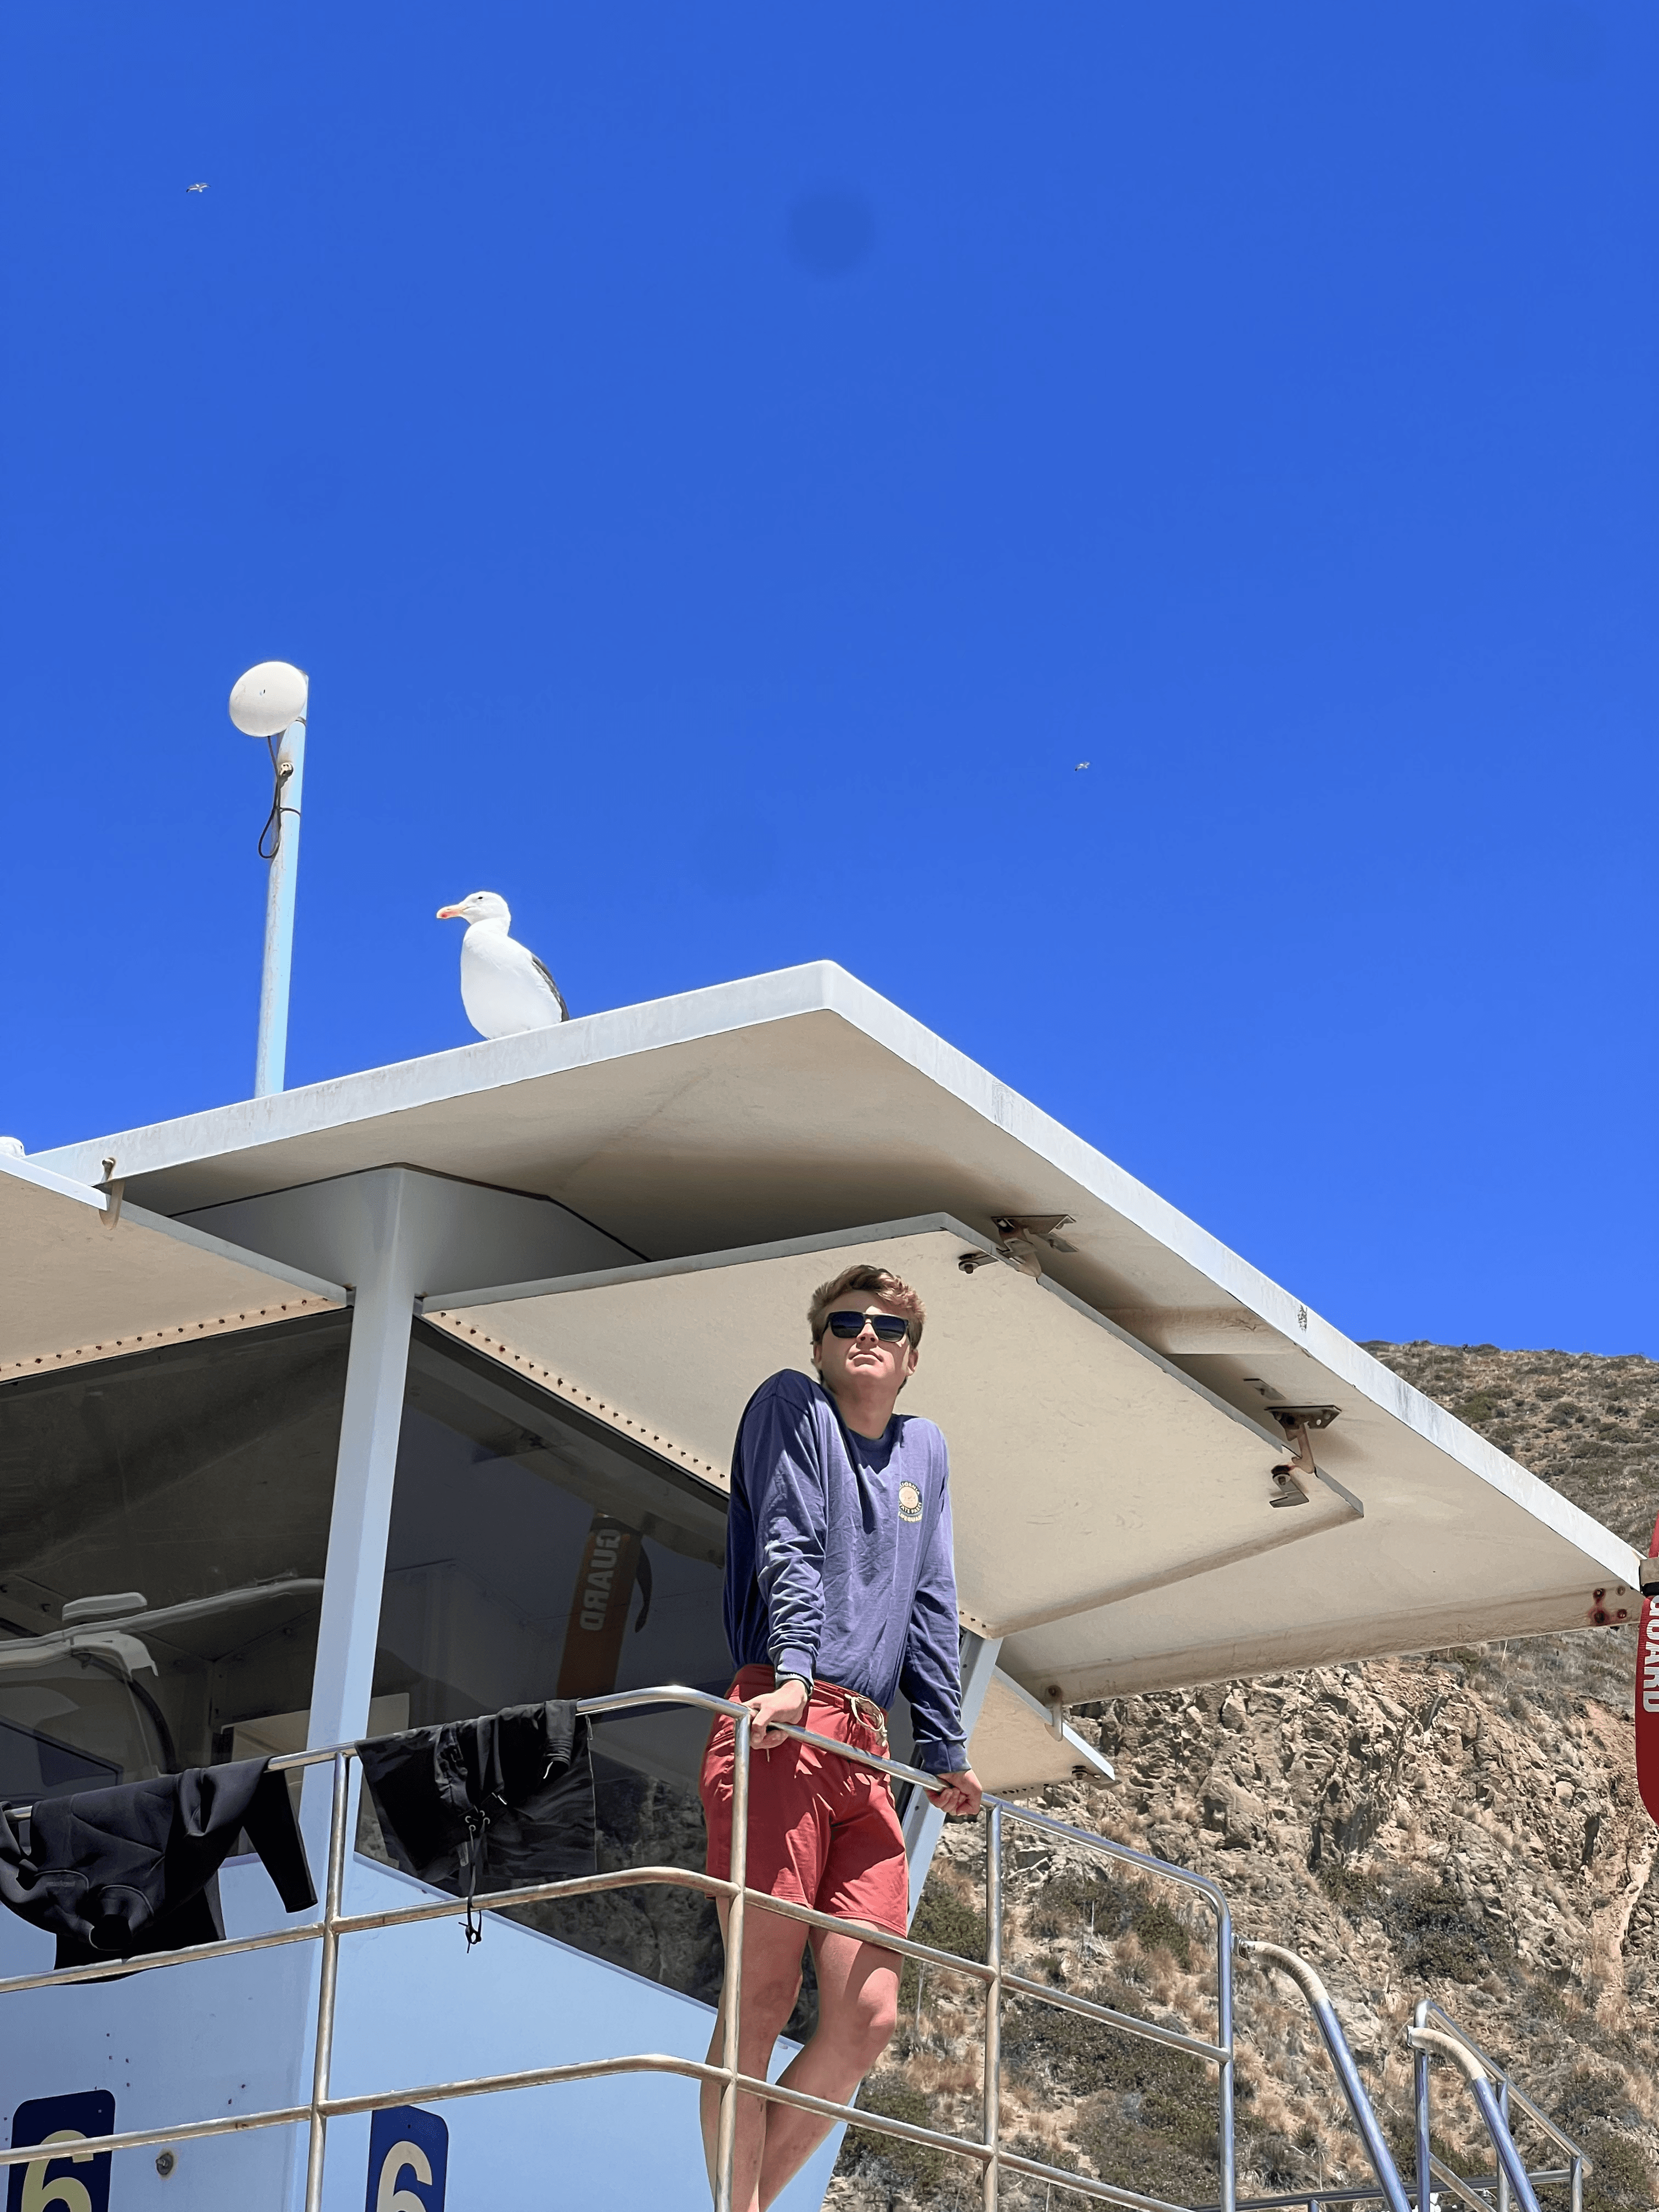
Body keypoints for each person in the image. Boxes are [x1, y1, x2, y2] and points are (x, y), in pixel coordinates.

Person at [698, 1262, 982, 2212]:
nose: (868, 1335)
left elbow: (933, 1602)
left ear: (912, 1359)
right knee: (763, 1996)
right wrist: (790, 1673)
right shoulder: (794, 1407)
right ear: (819, 1346)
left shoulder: (924, 1450)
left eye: (889, 1327)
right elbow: (788, 1539)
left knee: (868, 2018)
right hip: (783, 1719)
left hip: (867, 1750)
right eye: (847, 1322)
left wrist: (945, 1749)